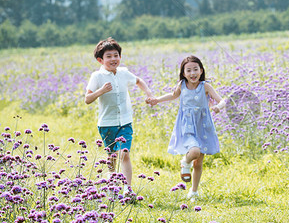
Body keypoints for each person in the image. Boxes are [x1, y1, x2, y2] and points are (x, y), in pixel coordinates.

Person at [147, 55, 224, 200]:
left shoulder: (205, 86)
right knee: (194, 152)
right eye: (188, 70)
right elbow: (172, 95)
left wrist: (218, 106)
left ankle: (193, 191)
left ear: (201, 71)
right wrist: (157, 100)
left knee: (199, 162)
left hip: (203, 126)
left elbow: (222, 100)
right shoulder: (182, 85)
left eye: (195, 69)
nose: (192, 73)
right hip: (187, 126)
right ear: (183, 73)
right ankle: (185, 162)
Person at [85, 37, 154, 196]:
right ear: (100, 60)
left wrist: (149, 93)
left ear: (120, 57)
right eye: (108, 56)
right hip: (107, 123)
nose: (113, 59)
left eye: (116, 55)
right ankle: (112, 180)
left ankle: (128, 189)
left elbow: (138, 81)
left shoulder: (124, 73)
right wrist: (101, 91)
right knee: (112, 156)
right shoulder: (97, 76)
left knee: (124, 153)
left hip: (125, 121)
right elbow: (87, 99)